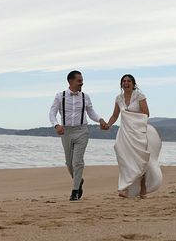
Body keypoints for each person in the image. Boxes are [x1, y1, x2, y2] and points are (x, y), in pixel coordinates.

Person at [49, 70, 108, 201]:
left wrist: (100, 120)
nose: (82, 82)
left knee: (78, 162)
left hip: (82, 131)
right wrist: (56, 125)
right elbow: (52, 113)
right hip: (66, 132)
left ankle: (75, 191)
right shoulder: (60, 96)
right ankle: (78, 180)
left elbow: (91, 112)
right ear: (70, 81)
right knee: (69, 163)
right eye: (79, 80)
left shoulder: (85, 97)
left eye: (82, 80)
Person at [106, 74, 163, 198]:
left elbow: (146, 113)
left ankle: (142, 187)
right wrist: (108, 124)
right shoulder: (119, 98)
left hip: (138, 132)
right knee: (123, 158)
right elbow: (115, 115)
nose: (126, 83)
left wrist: (130, 113)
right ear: (121, 84)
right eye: (124, 81)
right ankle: (125, 188)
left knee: (140, 159)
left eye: (128, 81)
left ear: (133, 84)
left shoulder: (139, 96)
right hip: (125, 133)